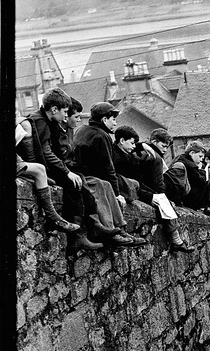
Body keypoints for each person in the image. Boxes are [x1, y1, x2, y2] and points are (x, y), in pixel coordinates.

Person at [19, 87, 105, 251]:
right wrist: (66, 172)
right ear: (54, 109)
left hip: (44, 167)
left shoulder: (46, 120)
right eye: (65, 111)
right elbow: (46, 152)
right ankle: (78, 236)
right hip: (42, 168)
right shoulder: (41, 122)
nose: (66, 115)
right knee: (72, 183)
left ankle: (91, 226)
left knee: (78, 181)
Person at [70, 102, 146, 247]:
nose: (115, 123)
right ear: (104, 120)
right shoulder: (102, 135)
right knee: (103, 184)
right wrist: (118, 193)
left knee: (104, 184)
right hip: (84, 176)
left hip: (82, 173)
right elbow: (108, 168)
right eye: (113, 119)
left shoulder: (82, 129)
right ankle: (113, 230)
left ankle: (119, 229)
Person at [113, 126, 194, 253]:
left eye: (167, 147)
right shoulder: (153, 157)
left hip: (137, 187)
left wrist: (142, 145)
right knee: (164, 199)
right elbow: (157, 182)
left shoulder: (140, 152)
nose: (165, 149)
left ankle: (177, 239)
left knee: (163, 200)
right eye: (164, 145)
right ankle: (176, 240)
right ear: (155, 142)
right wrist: (157, 195)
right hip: (136, 189)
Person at [15, 119, 80, 234]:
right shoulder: (41, 121)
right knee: (40, 170)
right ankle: (54, 218)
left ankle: (32, 171)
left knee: (25, 123)